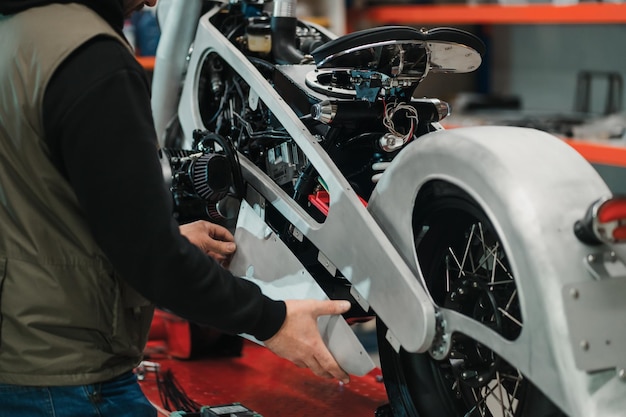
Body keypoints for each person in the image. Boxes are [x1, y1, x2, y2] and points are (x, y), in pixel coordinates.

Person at [0, 0, 351, 416]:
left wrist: (169, 236)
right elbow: (149, 255)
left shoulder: (18, 36)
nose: (152, 2)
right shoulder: (91, 58)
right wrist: (271, 320)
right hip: (69, 379)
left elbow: (40, 208)